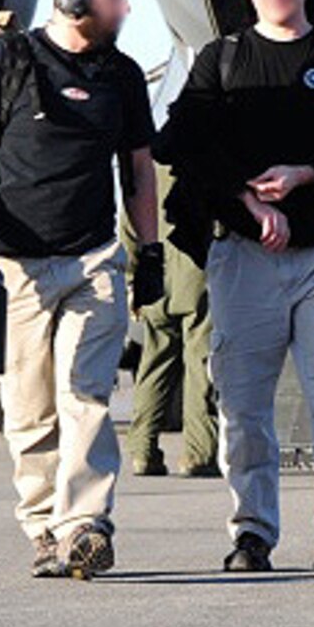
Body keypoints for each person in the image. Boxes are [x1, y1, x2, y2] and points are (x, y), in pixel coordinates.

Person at [152, 0, 314, 574]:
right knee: (244, 407)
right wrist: (247, 201)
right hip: (241, 256)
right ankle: (251, 531)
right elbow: (178, 145)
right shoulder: (220, 62)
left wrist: (305, 174)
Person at [0, 0, 161, 579]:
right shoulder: (8, 61)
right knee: (29, 407)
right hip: (14, 267)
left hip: (92, 259)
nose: (126, 7)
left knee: (85, 394)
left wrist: (151, 252)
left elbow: (138, 171)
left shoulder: (121, 76)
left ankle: (85, 524)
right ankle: (42, 528)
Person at [122, 168, 219, 478]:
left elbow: (129, 224)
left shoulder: (147, 165)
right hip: (198, 274)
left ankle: (142, 450)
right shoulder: (206, 159)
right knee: (199, 366)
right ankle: (198, 453)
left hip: (155, 275)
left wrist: (131, 276)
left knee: (153, 363)